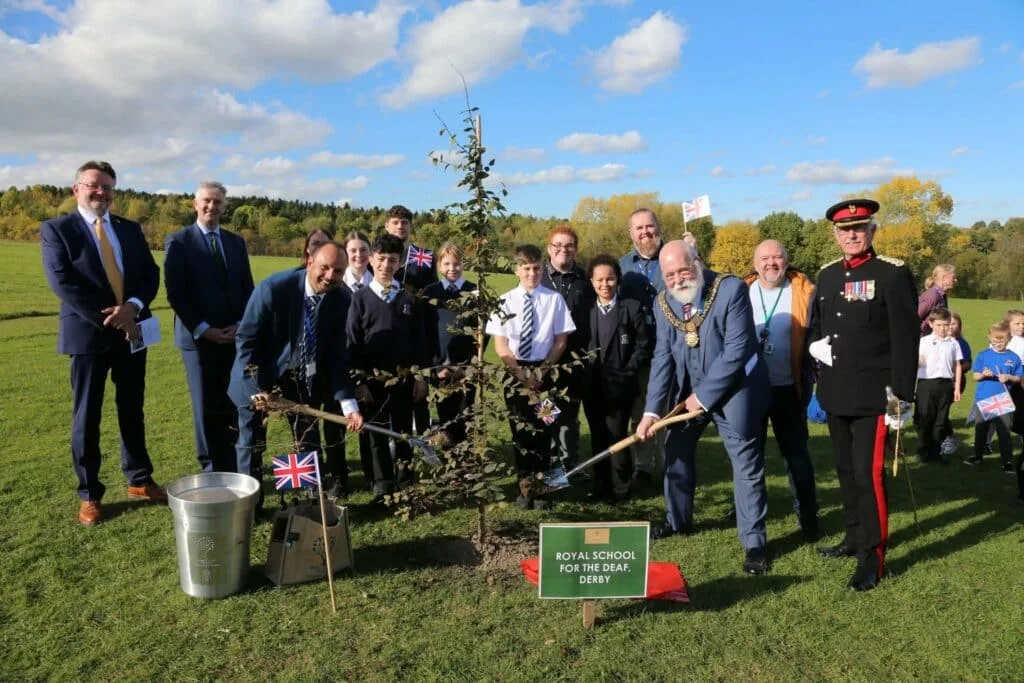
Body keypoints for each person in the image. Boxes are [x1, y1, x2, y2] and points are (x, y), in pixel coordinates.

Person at [635, 240, 771, 576]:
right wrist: (652, 411)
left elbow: (738, 350)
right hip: (688, 391)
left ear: (696, 261)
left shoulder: (731, 289)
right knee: (676, 450)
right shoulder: (663, 302)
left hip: (736, 388)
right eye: (669, 275)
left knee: (745, 461)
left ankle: (754, 543)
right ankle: (677, 521)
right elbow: (663, 356)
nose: (678, 279)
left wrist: (703, 396)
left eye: (683, 270)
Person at [40, 160, 165, 525]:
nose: (101, 192)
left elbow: (149, 274)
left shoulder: (129, 229)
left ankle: (139, 480)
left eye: (107, 187)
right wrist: (111, 317)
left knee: (132, 409)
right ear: (76, 188)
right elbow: (62, 282)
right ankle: (90, 493)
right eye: (93, 185)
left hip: (132, 335)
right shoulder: (57, 230)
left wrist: (134, 307)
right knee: (87, 416)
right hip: (88, 336)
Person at [810, 198, 918, 592]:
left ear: (871, 230)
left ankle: (872, 555)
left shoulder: (892, 274)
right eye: (844, 230)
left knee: (869, 475)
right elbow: (819, 325)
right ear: (835, 234)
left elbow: (906, 341)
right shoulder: (826, 275)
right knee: (844, 471)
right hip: (837, 393)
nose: (851, 235)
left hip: (876, 397)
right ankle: (854, 536)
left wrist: (901, 398)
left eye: (859, 228)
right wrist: (814, 347)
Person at [228, 241, 365, 508]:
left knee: (308, 442)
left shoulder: (342, 298)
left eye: (338, 271)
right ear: (309, 261)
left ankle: (309, 508)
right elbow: (246, 341)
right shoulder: (274, 289)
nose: (330, 276)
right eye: (324, 268)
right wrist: (255, 388)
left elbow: (337, 356)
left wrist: (349, 406)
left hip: (302, 378)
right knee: (251, 444)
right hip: (259, 375)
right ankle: (249, 509)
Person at [164, 181, 255, 474]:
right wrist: (205, 329)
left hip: (233, 338)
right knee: (205, 408)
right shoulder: (178, 241)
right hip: (198, 341)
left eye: (217, 202)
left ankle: (234, 465)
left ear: (224, 207)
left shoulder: (236, 242)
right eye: (206, 201)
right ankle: (211, 469)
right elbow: (176, 293)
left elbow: (246, 288)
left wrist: (239, 325)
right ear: (195, 204)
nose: (211, 207)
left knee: (233, 400)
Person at [486, 245, 576, 510]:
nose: (532, 273)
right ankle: (525, 489)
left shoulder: (554, 299)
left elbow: (561, 341)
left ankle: (545, 489)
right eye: (526, 268)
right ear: (517, 270)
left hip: (546, 373)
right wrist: (522, 375)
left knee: (547, 429)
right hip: (515, 374)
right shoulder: (504, 301)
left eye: (536, 268)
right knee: (521, 432)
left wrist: (542, 371)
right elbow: (501, 346)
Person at [743, 239, 819, 538]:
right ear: (754, 262)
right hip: (750, 391)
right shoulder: (741, 291)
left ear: (787, 261)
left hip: (790, 387)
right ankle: (750, 514)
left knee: (796, 455)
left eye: (777, 257)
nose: (771, 263)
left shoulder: (805, 292)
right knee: (750, 457)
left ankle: (808, 515)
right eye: (764, 258)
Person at [347, 233, 431, 502]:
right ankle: (382, 486)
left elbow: (421, 342)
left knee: (404, 432)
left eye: (392, 260)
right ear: (371, 260)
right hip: (372, 383)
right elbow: (352, 342)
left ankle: (406, 484)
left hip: (405, 380)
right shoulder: (359, 299)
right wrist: (358, 382)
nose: (385, 265)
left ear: (400, 262)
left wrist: (420, 377)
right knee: (376, 435)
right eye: (380, 259)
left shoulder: (409, 298)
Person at [580, 254, 651, 502]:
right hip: (592, 386)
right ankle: (600, 484)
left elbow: (643, 346)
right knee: (598, 435)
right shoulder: (585, 310)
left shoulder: (630, 308)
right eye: (599, 279)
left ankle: (621, 485)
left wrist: (627, 372)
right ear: (591, 281)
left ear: (618, 279)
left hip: (620, 386)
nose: (605, 284)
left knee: (617, 435)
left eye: (610, 279)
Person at [619, 208, 666, 486]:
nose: (645, 232)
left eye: (650, 226)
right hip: (636, 353)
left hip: (668, 350)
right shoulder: (622, 265)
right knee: (640, 410)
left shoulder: (675, 256)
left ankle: (669, 466)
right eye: (639, 228)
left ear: (658, 228)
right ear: (631, 233)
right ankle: (643, 467)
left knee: (669, 411)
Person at [541, 225, 594, 472]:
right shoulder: (537, 275)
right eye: (558, 245)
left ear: (576, 249)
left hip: (574, 360)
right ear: (549, 248)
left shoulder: (585, 279)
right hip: (543, 359)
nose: (564, 249)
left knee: (570, 415)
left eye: (569, 245)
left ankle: (570, 462)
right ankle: (549, 458)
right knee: (546, 411)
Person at [383, 204, 437, 436]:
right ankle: (394, 438)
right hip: (387, 329)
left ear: (410, 226)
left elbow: (433, 291)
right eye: (395, 222)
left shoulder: (424, 257)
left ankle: (425, 439)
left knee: (419, 390)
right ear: (387, 226)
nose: (400, 226)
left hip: (417, 329)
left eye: (404, 222)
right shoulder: (379, 255)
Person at [423, 243, 481, 445]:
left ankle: (467, 466)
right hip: (441, 370)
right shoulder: (431, 293)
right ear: (439, 265)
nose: (452, 268)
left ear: (462, 265)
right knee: (446, 419)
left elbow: (482, 333)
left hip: (467, 369)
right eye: (446, 263)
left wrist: (470, 366)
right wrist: (436, 366)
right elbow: (427, 333)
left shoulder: (473, 292)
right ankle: (451, 468)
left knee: (466, 416)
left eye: (456, 263)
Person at [340, 230, 375, 490]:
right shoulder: (336, 284)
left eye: (363, 250)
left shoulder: (379, 285)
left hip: (368, 364)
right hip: (339, 361)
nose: (358, 255)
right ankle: (338, 477)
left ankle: (372, 474)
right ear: (346, 253)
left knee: (369, 422)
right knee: (337, 423)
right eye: (353, 250)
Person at [965, 321, 1021, 473]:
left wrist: (1008, 377)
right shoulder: (983, 355)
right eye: (995, 340)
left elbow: (1019, 378)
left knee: (1004, 433)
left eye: (1002, 340)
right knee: (980, 430)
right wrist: (983, 374)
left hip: (1003, 400)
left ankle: (1007, 462)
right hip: (983, 399)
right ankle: (978, 456)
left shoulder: (1014, 357)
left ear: (1008, 339)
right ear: (989, 338)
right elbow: (975, 376)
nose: (998, 343)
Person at [914, 308, 962, 465]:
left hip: (946, 385)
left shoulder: (953, 343)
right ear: (931, 323)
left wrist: (956, 388)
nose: (943, 328)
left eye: (946, 325)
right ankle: (922, 451)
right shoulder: (924, 341)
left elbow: (957, 366)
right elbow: (919, 361)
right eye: (939, 325)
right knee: (925, 418)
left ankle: (936, 451)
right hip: (927, 384)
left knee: (941, 420)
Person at [940, 310, 972, 456]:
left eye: (954, 324)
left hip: (955, 382)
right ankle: (939, 438)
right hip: (937, 381)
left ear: (959, 326)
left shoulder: (961, 343)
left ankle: (950, 438)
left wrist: (954, 370)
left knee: (942, 410)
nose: (951, 327)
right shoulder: (936, 340)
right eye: (949, 323)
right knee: (934, 410)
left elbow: (968, 364)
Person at [917, 264, 956, 336]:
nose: (955, 280)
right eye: (953, 278)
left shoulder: (941, 295)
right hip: (923, 341)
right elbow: (914, 317)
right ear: (944, 278)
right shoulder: (932, 295)